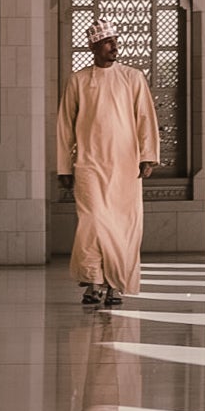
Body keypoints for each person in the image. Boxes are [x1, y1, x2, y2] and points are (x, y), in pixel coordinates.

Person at [55, 20, 159, 308]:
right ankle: (93, 278)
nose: (114, 46)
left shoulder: (133, 77)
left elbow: (145, 118)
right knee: (94, 223)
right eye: (107, 42)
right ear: (93, 47)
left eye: (115, 40)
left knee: (122, 226)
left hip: (125, 165)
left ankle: (113, 285)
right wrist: (64, 167)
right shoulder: (78, 81)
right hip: (89, 164)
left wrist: (147, 155)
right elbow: (65, 126)